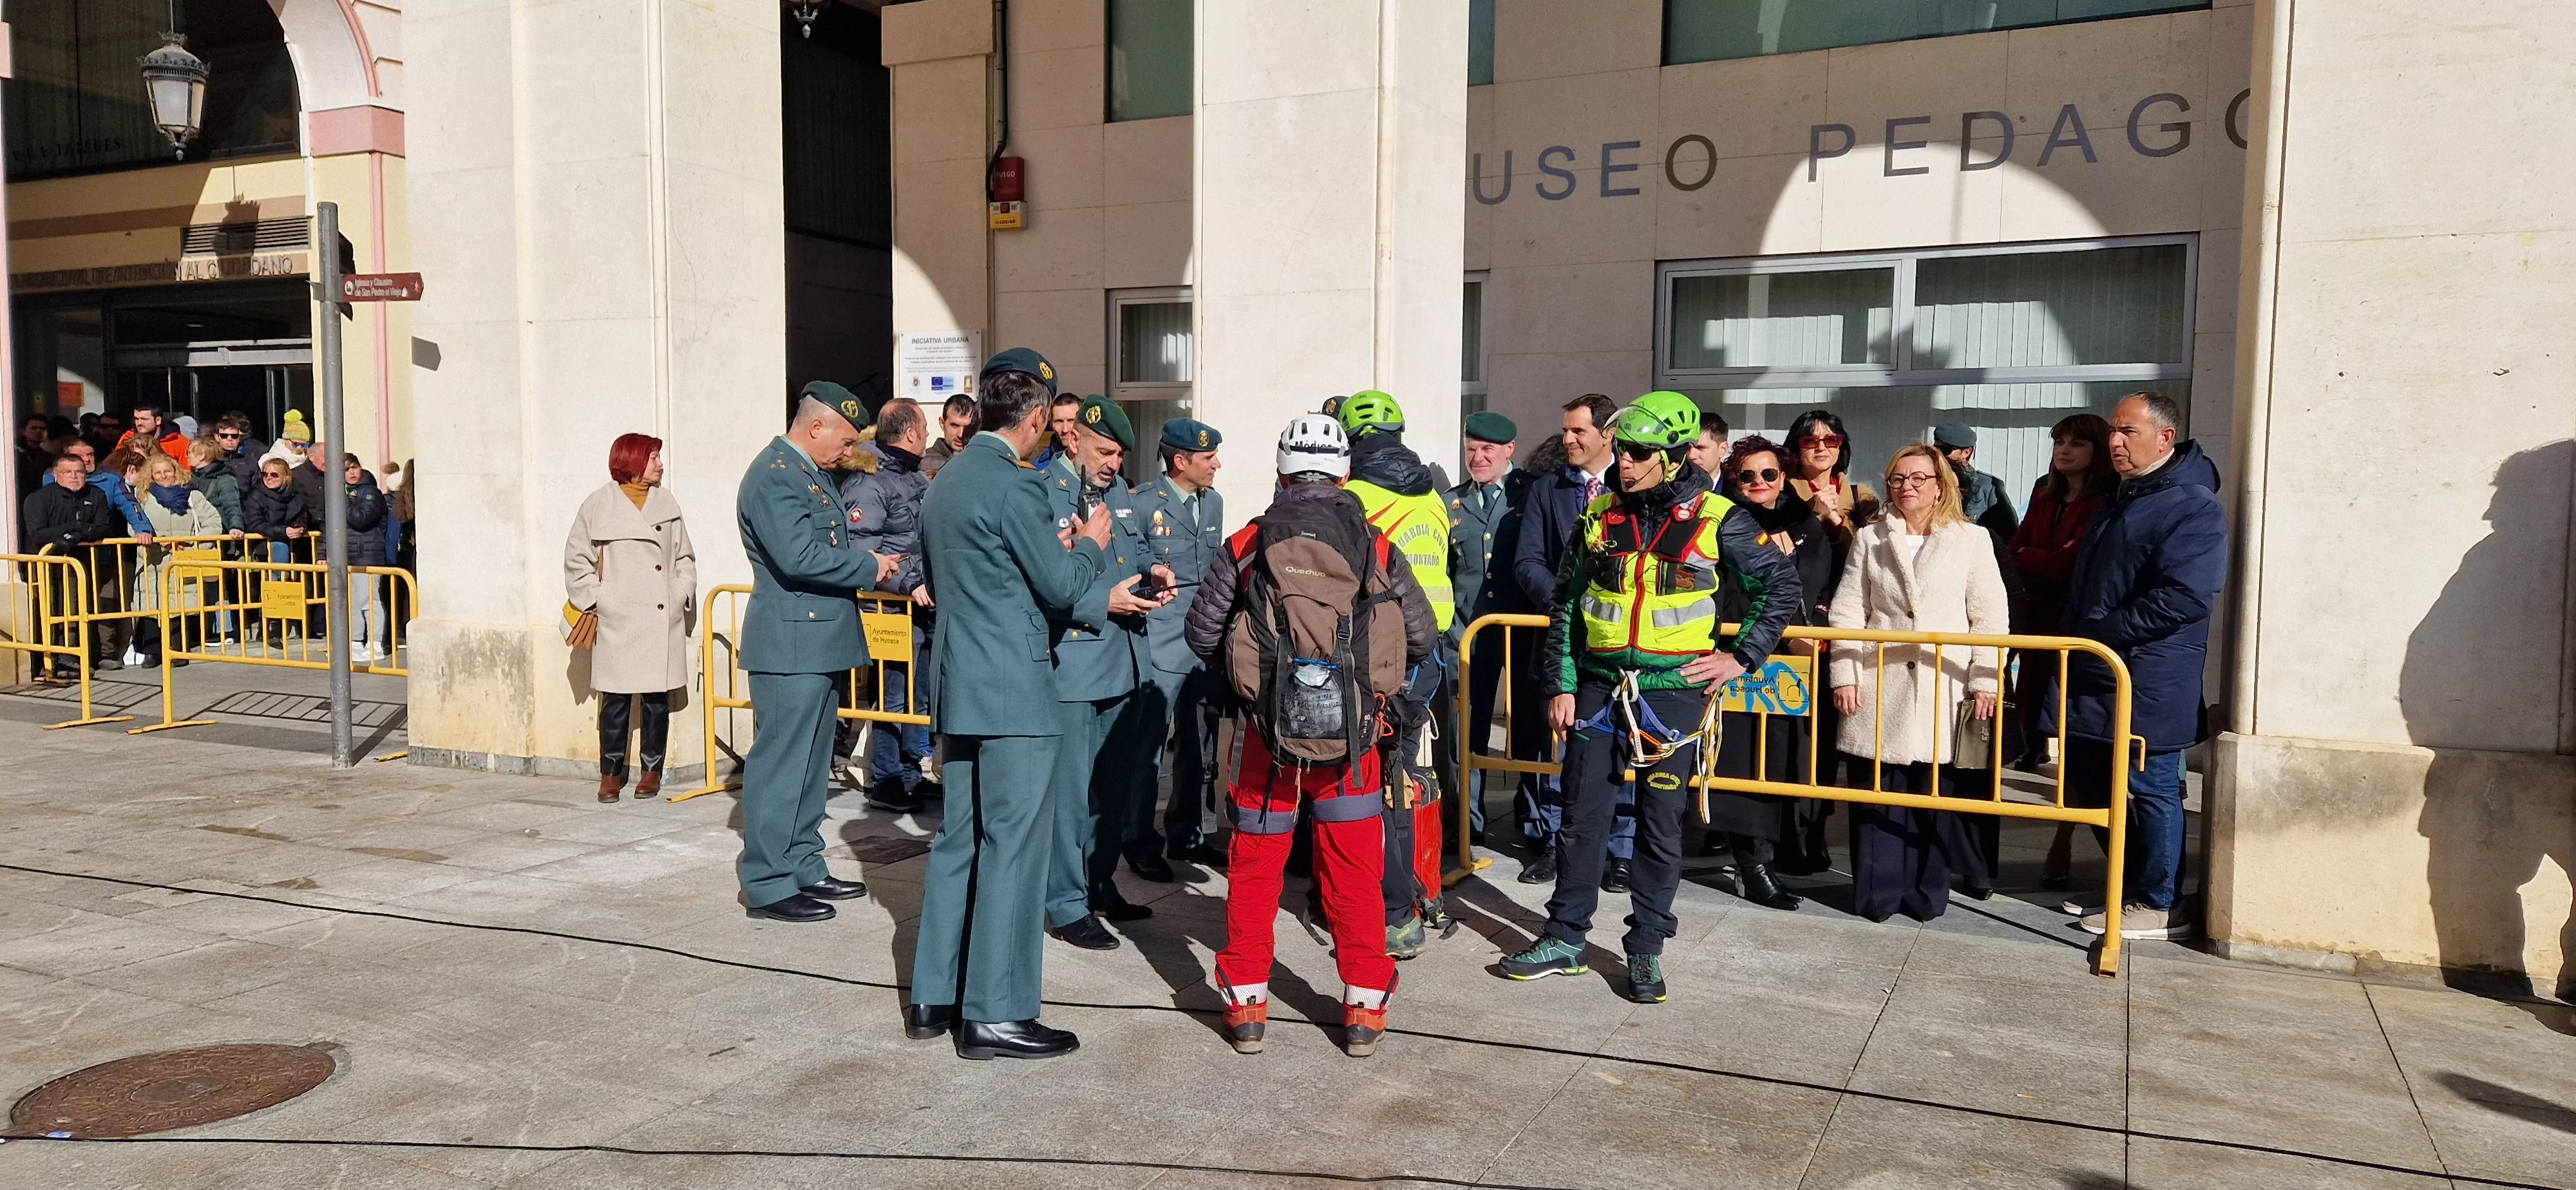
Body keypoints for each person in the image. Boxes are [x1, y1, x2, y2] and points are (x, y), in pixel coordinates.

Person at [1499, 392, 1798, 1003]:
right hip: (1598, 688)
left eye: (1640, 453)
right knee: (1581, 820)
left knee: (1660, 826)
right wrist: (1561, 684)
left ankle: (1646, 948)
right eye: (1623, 451)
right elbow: (1566, 605)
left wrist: (1740, 658)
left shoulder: (1718, 517)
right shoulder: (1600, 514)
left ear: (1673, 456)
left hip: (1674, 695)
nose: (1626, 463)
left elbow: (1781, 586)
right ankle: (1565, 939)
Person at [1185, 413, 1436, 1055]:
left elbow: (1202, 633)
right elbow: (1421, 635)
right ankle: (1363, 1011)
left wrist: (1258, 684)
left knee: (1255, 868)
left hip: (1265, 740)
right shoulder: (1376, 546)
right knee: (1353, 872)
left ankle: (1246, 1007)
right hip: (1352, 742)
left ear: (1281, 473)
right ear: (1345, 475)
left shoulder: (1247, 543)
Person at [905, 348, 1111, 1061]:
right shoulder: (1016, 485)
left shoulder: (947, 480)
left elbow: (956, 581)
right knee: (1014, 849)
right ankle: (997, 1011)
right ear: (1033, 418)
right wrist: (1089, 547)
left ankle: (935, 996)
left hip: (960, 680)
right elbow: (1061, 586)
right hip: (1013, 688)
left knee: (959, 840)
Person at [2054, 392, 2225, 941]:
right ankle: (2128, 889)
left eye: (2128, 431)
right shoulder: (2123, 495)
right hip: (2100, 670)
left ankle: (2159, 903)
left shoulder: (2190, 504)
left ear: (2165, 438)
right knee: (2093, 786)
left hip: (2149, 675)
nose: (2115, 442)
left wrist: (2103, 634)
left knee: (2151, 789)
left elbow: (2185, 596)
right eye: (2113, 430)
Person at [734, 390, 900, 923]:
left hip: (816, 640)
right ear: (815, 428)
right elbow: (798, 557)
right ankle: (768, 882)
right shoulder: (776, 475)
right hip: (791, 643)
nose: (849, 452)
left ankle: (803, 863)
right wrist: (869, 566)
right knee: (782, 765)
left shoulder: (807, 471)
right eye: (845, 441)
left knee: (810, 765)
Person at [1826, 444, 2010, 922]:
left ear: (1940, 485)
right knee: (1877, 794)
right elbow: (1848, 610)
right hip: (1878, 683)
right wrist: (1844, 673)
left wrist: (1985, 680)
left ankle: (1927, 895)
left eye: (1918, 478)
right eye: (1897, 478)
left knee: (1934, 794)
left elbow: (1989, 618)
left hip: (1942, 686)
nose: (1906, 486)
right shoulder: (1870, 538)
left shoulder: (1971, 539)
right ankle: (1877, 896)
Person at [1039, 394, 1171, 950]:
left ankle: (1099, 884)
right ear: (1073, 440)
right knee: (1070, 796)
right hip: (1074, 663)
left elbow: (1130, 555)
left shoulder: (1116, 493)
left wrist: (1153, 572)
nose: (1114, 464)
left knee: (1111, 792)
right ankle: (1066, 904)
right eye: (1104, 452)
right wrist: (1104, 601)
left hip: (1124, 662)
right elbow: (1042, 583)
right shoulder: (1042, 492)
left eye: (1119, 455)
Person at [1334, 390, 1455, 957]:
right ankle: (1407, 901)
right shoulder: (1433, 494)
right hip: (1429, 654)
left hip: (1379, 655)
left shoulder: (1355, 496)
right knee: (1400, 778)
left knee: (1368, 785)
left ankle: (1393, 912)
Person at [1704, 435, 1839, 899]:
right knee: (1744, 762)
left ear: (1784, 478)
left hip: (1795, 661)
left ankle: (1788, 848)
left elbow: (1824, 586)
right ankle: (1752, 862)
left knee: (1789, 760)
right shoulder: (1722, 524)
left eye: (1768, 474)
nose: (1758, 482)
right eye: (1747, 475)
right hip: (1741, 656)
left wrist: (1814, 627)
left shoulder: (1806, 523)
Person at [1508, 392, 1622, 886]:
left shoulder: (1632, 483)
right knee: (1560, 744)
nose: (1568, 439)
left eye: (1579, 431)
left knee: (1623, 742)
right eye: (1566, 431)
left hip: (1621, 640)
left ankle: (1620, 850)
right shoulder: (1547, 489)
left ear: (1607, 435)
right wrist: (1564, 601)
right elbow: (1527, 561)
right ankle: (1559, 845)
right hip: (1563, 638)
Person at [1121, 417, 1230, 874]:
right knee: (1149, 747)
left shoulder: (1214, 502)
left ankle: (1187, 834)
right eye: (1209, 458)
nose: (1217, 465)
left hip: (1203, 641)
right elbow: (1131, 561)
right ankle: (1138, 841)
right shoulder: (1144, 502)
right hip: (1161, 639)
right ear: (1181, 461)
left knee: (1198, 745)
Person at [565, 433, 699, 804]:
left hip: (660, 617)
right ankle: (611, 773)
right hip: (616, 618)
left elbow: (685, 558)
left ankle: (651, 770)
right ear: (633, 461)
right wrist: (599, 599)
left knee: (657, 699)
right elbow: (577, 560)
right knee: (615, 700)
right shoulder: (598, 505)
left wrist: (679, 593)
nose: (660, 464)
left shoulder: (666, 503)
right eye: (653, 458)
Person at [2009, 413, 2114, 878]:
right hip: (2038, 628)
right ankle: (2063, 838)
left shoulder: (2105, 499)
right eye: (2059, 442)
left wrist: (2033, 557)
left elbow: (2069, 566)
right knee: (2044, 728)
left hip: (2079, 633)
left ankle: (2068, 839)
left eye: (2077, 443)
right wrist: (2036, 557)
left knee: (2078, 743)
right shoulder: (2044, 494)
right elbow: (2014, 549)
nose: (2064, 450)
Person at [835, 393, 937, 813]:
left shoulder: (914, 476)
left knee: (919, 696)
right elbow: (864, 552)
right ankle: (886, 778)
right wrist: (910, 582)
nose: (929, 434)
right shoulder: (868, 482)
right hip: (891, 608)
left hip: (925, 606)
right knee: (893, 697)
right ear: (910, 433)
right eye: (925, 428)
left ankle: (911, 772)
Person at [1443, 411, 1528, 846]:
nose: (1477, 457)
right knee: (1467, 731)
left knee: (1529, 727)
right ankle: (1467, 820)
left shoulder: (1530, 494)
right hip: (1469, 634)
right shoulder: (1452, 503)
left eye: (1487, 450)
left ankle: (1535, 822)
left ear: (1509, 450)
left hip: (1523, 632)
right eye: (1471, 449)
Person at [21, 454, 118, 680]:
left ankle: (72, 658)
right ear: (56, 475)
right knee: (46, 613)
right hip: (45, 566)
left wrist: (76, 536)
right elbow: (38, 534)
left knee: (75, 612)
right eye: (68, 472)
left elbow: (102, 527)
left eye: (79, 472)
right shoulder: (39, 498)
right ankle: (46, 661)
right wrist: (75, 527)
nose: (74, 477)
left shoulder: (96, 495)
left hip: (79, 566)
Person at [135, 452, 224, 667]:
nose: (164, 476)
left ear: (176, 472)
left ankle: (178, 650)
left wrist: (192, 544)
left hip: (184, 559)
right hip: (153, 561)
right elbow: (134, 525)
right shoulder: (143, 497)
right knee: (151, 607)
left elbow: (214, 523)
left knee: (180, 608)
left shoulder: (193, 496)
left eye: (167, 471)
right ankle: (152, 652)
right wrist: (159, 542)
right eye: (158, 473)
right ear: (150, 475)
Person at [315, 455, 392, 663]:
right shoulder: (338, 495)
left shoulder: (371, 493)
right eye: (346, 469)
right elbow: (328, 526)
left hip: (367, 555)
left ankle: (376, 644)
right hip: (345, 555)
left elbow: (361, 519)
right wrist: (323, 553)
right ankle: (355, 642)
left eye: (354, 468)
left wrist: (342, 500)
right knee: (351, 602)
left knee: (369, 600)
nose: (352, 473)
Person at [1933, 422, 2021, 547]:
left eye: (1945, 450)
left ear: (1966, 452)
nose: (1938, 454)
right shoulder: (1927, 481)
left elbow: (2007, 536)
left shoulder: (1988, 487)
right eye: (1935, 448)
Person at [920, 393, 976, 478]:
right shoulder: (922, 462)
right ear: (942, 423)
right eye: (955, 426)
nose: (961, 435)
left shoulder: (982, 461)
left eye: (967, 427)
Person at [116, 404, 190, 466]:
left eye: (144, 419)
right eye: (136, 419)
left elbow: (186, 471)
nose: (139, 423)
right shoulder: (127, 438)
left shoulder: (178, 441)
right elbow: (116, 465)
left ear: (158, 421)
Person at [213, 413, 267, 493]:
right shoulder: (210, 460)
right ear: (217, 437)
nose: (230, 439)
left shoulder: (250, 460)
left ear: (239, 438)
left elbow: (258, 488)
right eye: (224, 436)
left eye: (234, 436)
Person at [1033, 392, 1083, 470]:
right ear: (1051, 424)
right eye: (1059, 421)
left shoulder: (1098, 461)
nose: (1065, 430)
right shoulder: (1040, 467)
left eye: (1071, 421)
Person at [16, 415, 50, 500]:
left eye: (42, 428)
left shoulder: (50, 456)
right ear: (24, 432)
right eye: (34, 428)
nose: (38, 431)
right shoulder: (15, 455)